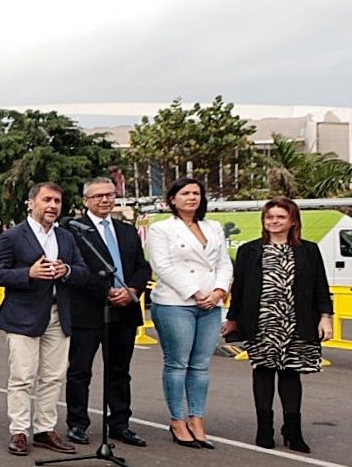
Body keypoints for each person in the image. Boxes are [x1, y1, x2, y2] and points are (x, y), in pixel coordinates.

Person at [0, 182, 90, 456]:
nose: (53, 206)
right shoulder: (13, 237)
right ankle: (19, 431)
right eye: (47, 200)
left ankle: (45, 430)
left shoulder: (66, 237)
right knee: (22, 376)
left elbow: (83, 271)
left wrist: (66, 269)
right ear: (30, 203)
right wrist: (28, 274)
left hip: (59, 314)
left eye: (57, 201)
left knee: (54, 377)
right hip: (23, 316)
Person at [222, 197, 333, 452]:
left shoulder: (308, 250)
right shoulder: (250, 250)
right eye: (269, 217)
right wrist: (233, 319)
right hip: (262, 322)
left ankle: (293, 430)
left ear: (292, 220)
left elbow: (320, 287)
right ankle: (265, 429)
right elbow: (238, 289)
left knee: (291, 374)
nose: (274, 221)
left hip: (298, 322)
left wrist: (325, 317)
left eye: (280, 217)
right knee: (263, 371)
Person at [62, 177, 153, 447]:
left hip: (125, 309)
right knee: (80, 371)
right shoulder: (74, 230)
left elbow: (141, 267)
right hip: (89, 310)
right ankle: (77, 423)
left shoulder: (126, 230)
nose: (105, 200)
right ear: (86, 201)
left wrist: (131, 291)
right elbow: (76, 270)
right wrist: (105, 293)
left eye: (110, 195)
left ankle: (120, 423)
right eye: (98, 196)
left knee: (119, 371)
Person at [145, 176, 232, 449]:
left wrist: (218, 292)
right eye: (185, 193)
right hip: (175, 303)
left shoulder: (214, 227)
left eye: (196, 193)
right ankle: (177, 419)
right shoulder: (161, 229)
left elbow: (224, 263)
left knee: (201, 366)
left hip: (211, 304)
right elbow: (162, 266)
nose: (192, 197)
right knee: (177, 363)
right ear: (172, 199)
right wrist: (195, 293)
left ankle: (197, 417)